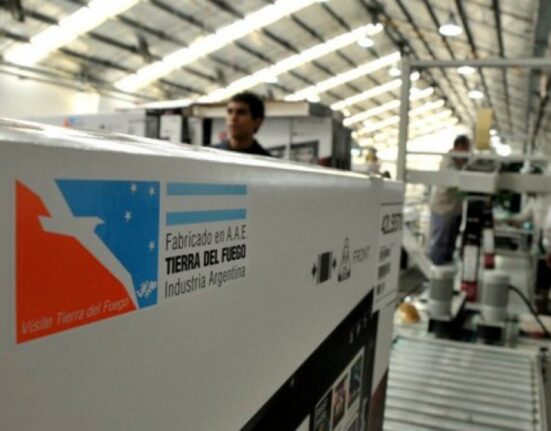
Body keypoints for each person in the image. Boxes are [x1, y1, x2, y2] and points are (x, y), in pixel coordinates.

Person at [428, 135, 471, 265]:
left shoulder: (462, 161)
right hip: (443, 209)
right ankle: (435, 270)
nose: (467, 152)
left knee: (450, 244)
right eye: (465, 149)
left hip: (455, 210)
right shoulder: (448, 162)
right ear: (458, 147)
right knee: (440, 243)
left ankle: (446, 268)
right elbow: (454, 183)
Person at [213, 92, 271, 156]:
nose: (233, 118)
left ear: (257, 122)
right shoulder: (211, 155)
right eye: (229, 112)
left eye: (241, 113)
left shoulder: (265, 160)